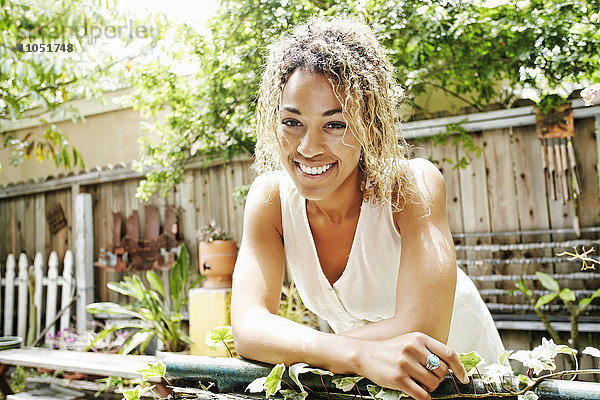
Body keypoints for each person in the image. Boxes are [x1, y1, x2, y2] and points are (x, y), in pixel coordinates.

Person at [231, 17, 504, 400]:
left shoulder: (411, 186)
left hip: (464, 380)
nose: (308, 147)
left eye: (335, 124)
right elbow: (249, 326)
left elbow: (422, 327)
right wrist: (356, 355)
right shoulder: (269, 200)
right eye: (292, 121)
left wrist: (315, 350)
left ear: (369, 124)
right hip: (369, 382)